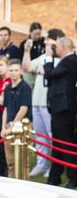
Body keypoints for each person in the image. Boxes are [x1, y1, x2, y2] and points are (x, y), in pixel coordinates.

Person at [24, 27, 64, 177]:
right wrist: (27, 51)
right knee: (40, 136)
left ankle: (54, 166)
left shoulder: (62, 59)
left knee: (52, 135)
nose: (45, 41)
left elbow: (49, 73)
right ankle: (42, 164)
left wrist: (43, 68)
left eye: (48, 39)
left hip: (51, 103)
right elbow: (27, 67)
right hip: (37, 101)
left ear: (57, 41)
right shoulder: (42, 57)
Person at [44, 35, 77, 188]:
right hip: (58, 108)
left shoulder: (70, 61)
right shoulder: (66, 61)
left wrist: (48, 58)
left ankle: (73, 178)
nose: (54, 49)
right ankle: (55, 176)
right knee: (57, 144)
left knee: (66, 143)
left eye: (55, 46)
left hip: (64, 109)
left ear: (63, 47)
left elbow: (50, 74)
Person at [0, 59, 32, 175]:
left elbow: (24, 109)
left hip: (21, 126)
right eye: (11, 70)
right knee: (10, 160)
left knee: (23, 159)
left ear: (21, 71)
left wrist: (12, 126)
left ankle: (24, 184)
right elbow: (6, 108)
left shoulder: (25, 87)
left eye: (16, 70)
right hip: (9, 125)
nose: (13, 73)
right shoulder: (7, 88)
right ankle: (12, 182)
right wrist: (3, 128)